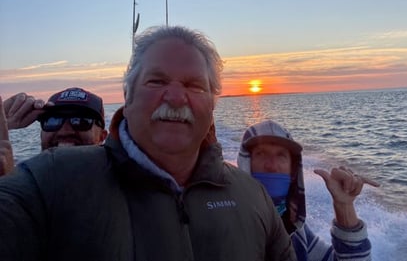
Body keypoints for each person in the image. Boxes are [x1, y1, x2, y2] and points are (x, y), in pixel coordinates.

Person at [0, 26, 296, 260]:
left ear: (212, 104)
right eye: (156, 82)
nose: (176, 98)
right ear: (127, 98)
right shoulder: (49, 182)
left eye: (194, 85)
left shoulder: (253, 197)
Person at [238, 120, 379, 261]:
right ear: (246, 163)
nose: (272, 166)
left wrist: (344, 206)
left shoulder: (297, 232)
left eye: (281, 155)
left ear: (292, 170)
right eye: (261, 154)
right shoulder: (225, 223)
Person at [0, 87, 108, 176]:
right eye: (52, 121)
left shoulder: (116, 183)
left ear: (102, 137)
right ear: (41, 134)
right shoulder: (24, 176)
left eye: (80, 121)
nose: (64, 131)